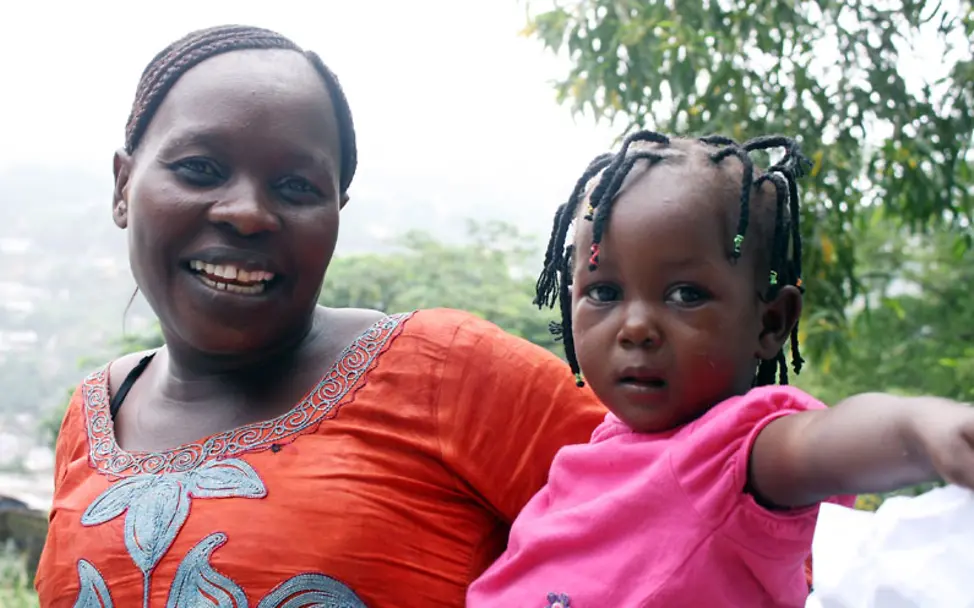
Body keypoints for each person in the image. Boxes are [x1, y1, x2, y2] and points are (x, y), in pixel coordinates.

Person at [33, 25, 607, 608]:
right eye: (200, 169)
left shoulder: (449, 373)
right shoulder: (95, 412)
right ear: (123, 185)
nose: (247, 213)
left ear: (337, 210)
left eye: (295, 186)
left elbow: (674, 507)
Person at [466, 131, 974, 607]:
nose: (636, 326)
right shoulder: (599, 448)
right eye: (603, 292)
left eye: (686, 295)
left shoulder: (731, 456)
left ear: (771, 323)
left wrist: (922, 426)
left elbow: (823, 441)